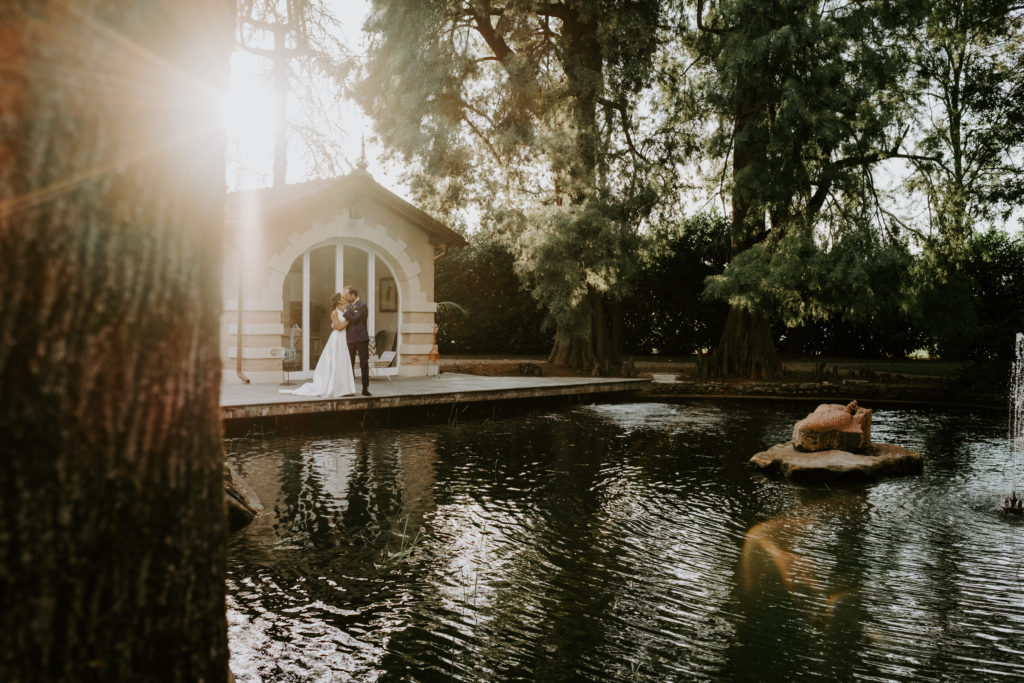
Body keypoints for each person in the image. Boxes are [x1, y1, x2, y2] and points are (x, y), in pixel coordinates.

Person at [279, 293, 356, 398]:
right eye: (342, 298)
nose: (344, 299)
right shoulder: (334, 313)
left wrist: (349, 318)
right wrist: (348, 321)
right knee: (336, 360)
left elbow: (348, 319)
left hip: (343, 338)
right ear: (338, 301)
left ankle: (344, 388)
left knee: (343, 361)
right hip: (337, 338)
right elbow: (338, 327)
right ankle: (336, 388)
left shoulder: (345, 310)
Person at [342, 285, 371, 396]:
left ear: (353, 295)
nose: (345, 297)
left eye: (347, 295)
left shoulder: (362, 306)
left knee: (364, 363)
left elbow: (354, 319)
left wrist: (345, 311)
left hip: (361, 338)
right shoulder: (348, 306)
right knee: (350, 364)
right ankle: (351, 388)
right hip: (350, 339)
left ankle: (365, 388)